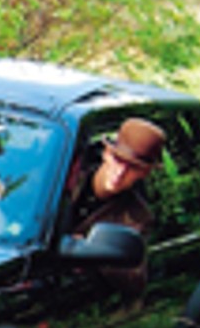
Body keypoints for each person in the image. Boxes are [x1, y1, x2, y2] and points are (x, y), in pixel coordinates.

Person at [66, 117, 165, 295]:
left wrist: (91, 253)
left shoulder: (136, 217)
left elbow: (134, 279)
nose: (120, 173)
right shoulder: (65, 174)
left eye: (133, 168)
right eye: (118, 160)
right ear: (106, 154)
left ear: (144, 173)